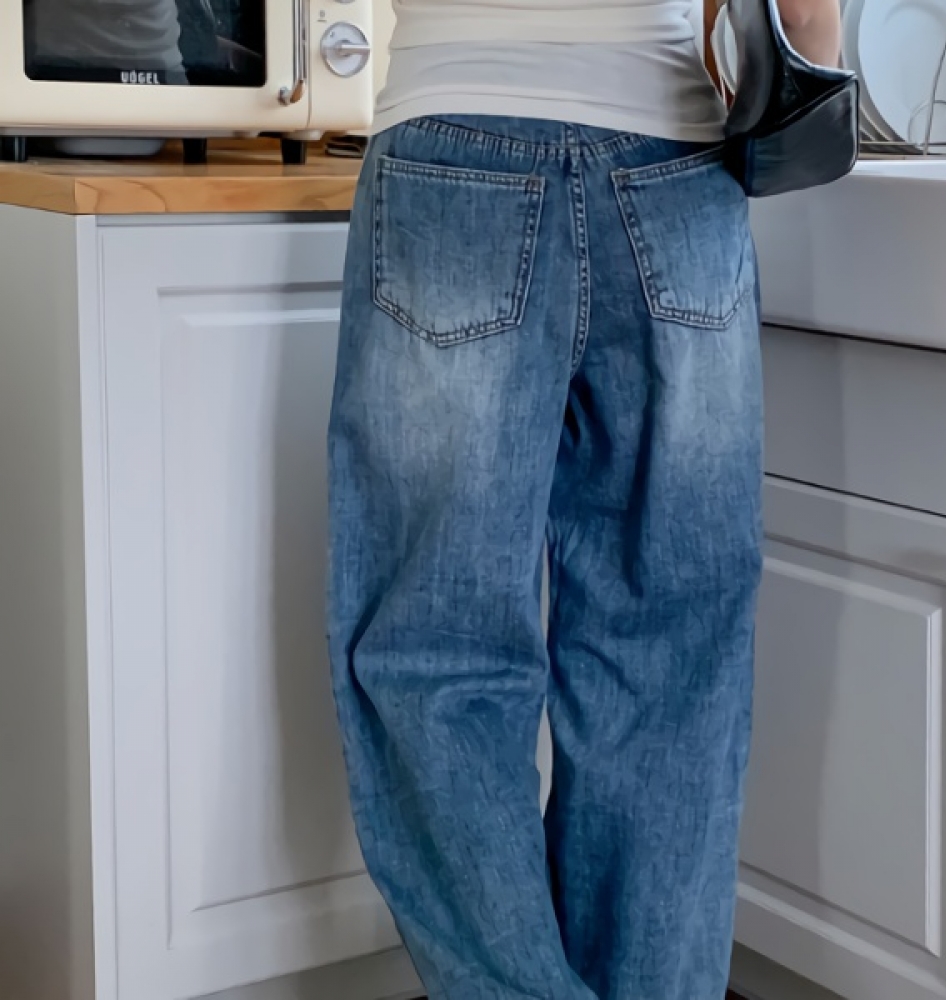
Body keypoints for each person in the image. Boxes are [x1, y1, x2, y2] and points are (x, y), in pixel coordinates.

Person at [326, 2, 841, 998]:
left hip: (450, 148)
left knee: (436, 652)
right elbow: (806, 19)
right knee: (668, 660)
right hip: (672, 169)